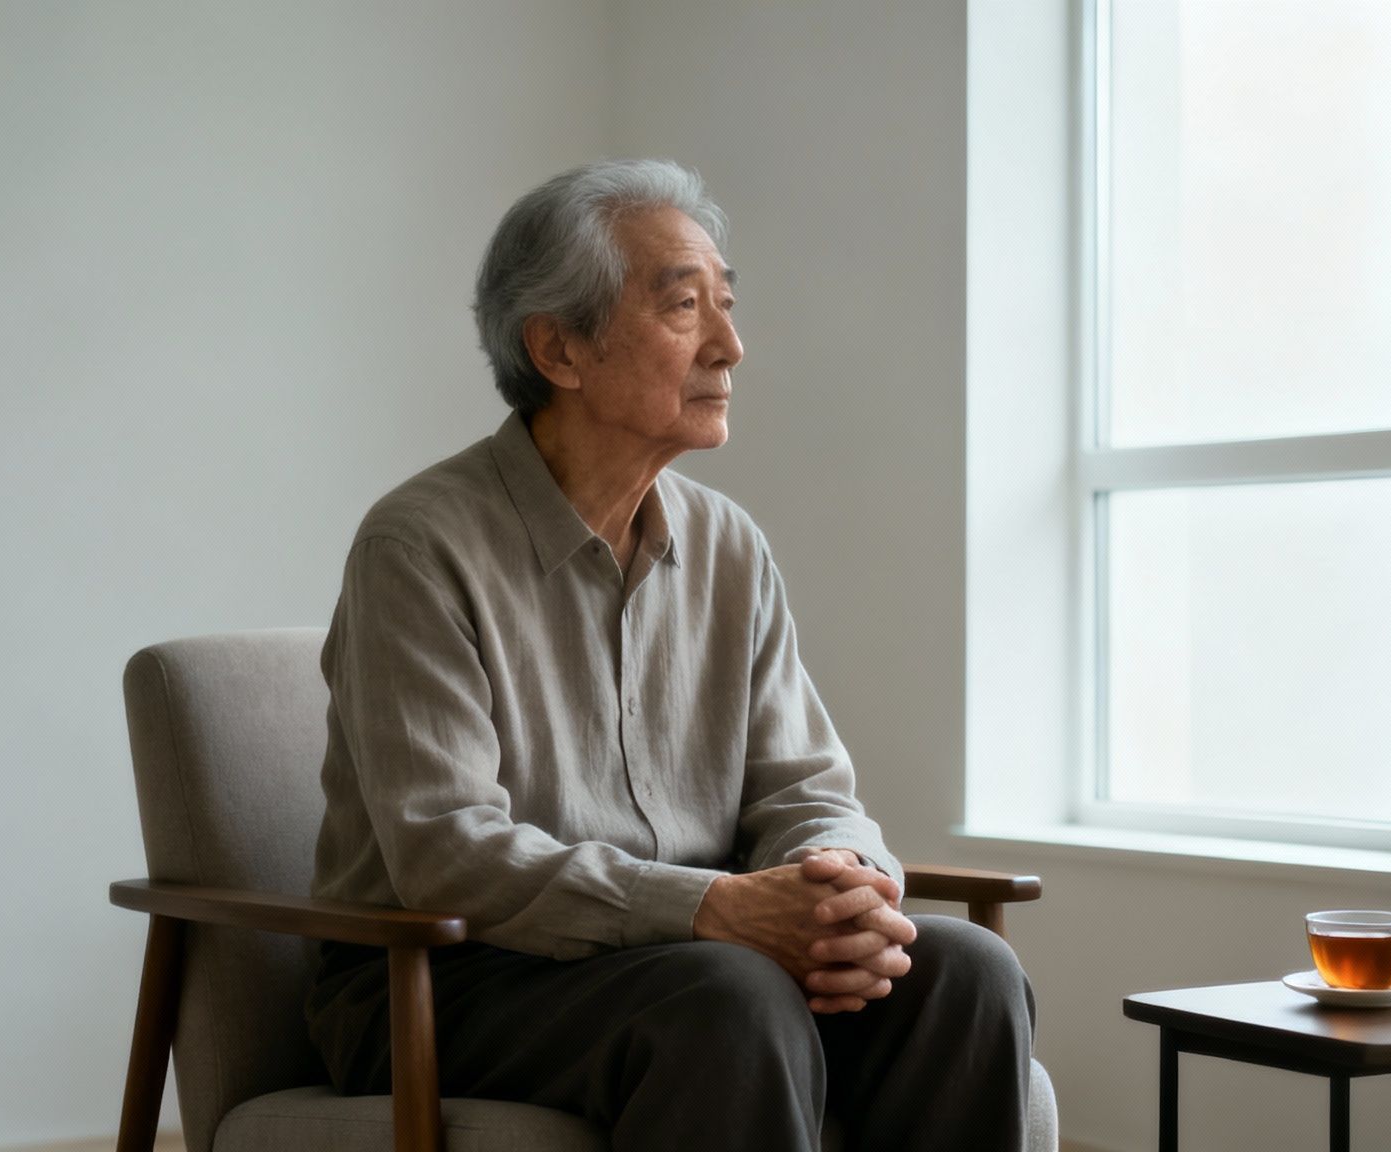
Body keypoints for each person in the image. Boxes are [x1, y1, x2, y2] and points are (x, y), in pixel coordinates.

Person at [304, 158, 1034, 1151]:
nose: (730, 346)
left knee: (967, 975)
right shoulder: (419, 546)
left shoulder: (729, 544)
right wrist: (712, 909)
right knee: (728, 997)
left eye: (726, 304)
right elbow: (448, 855)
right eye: (685, 307)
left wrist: (835, 882)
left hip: (690, 962)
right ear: (560, 348)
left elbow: (804, 786)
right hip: (447, 976)